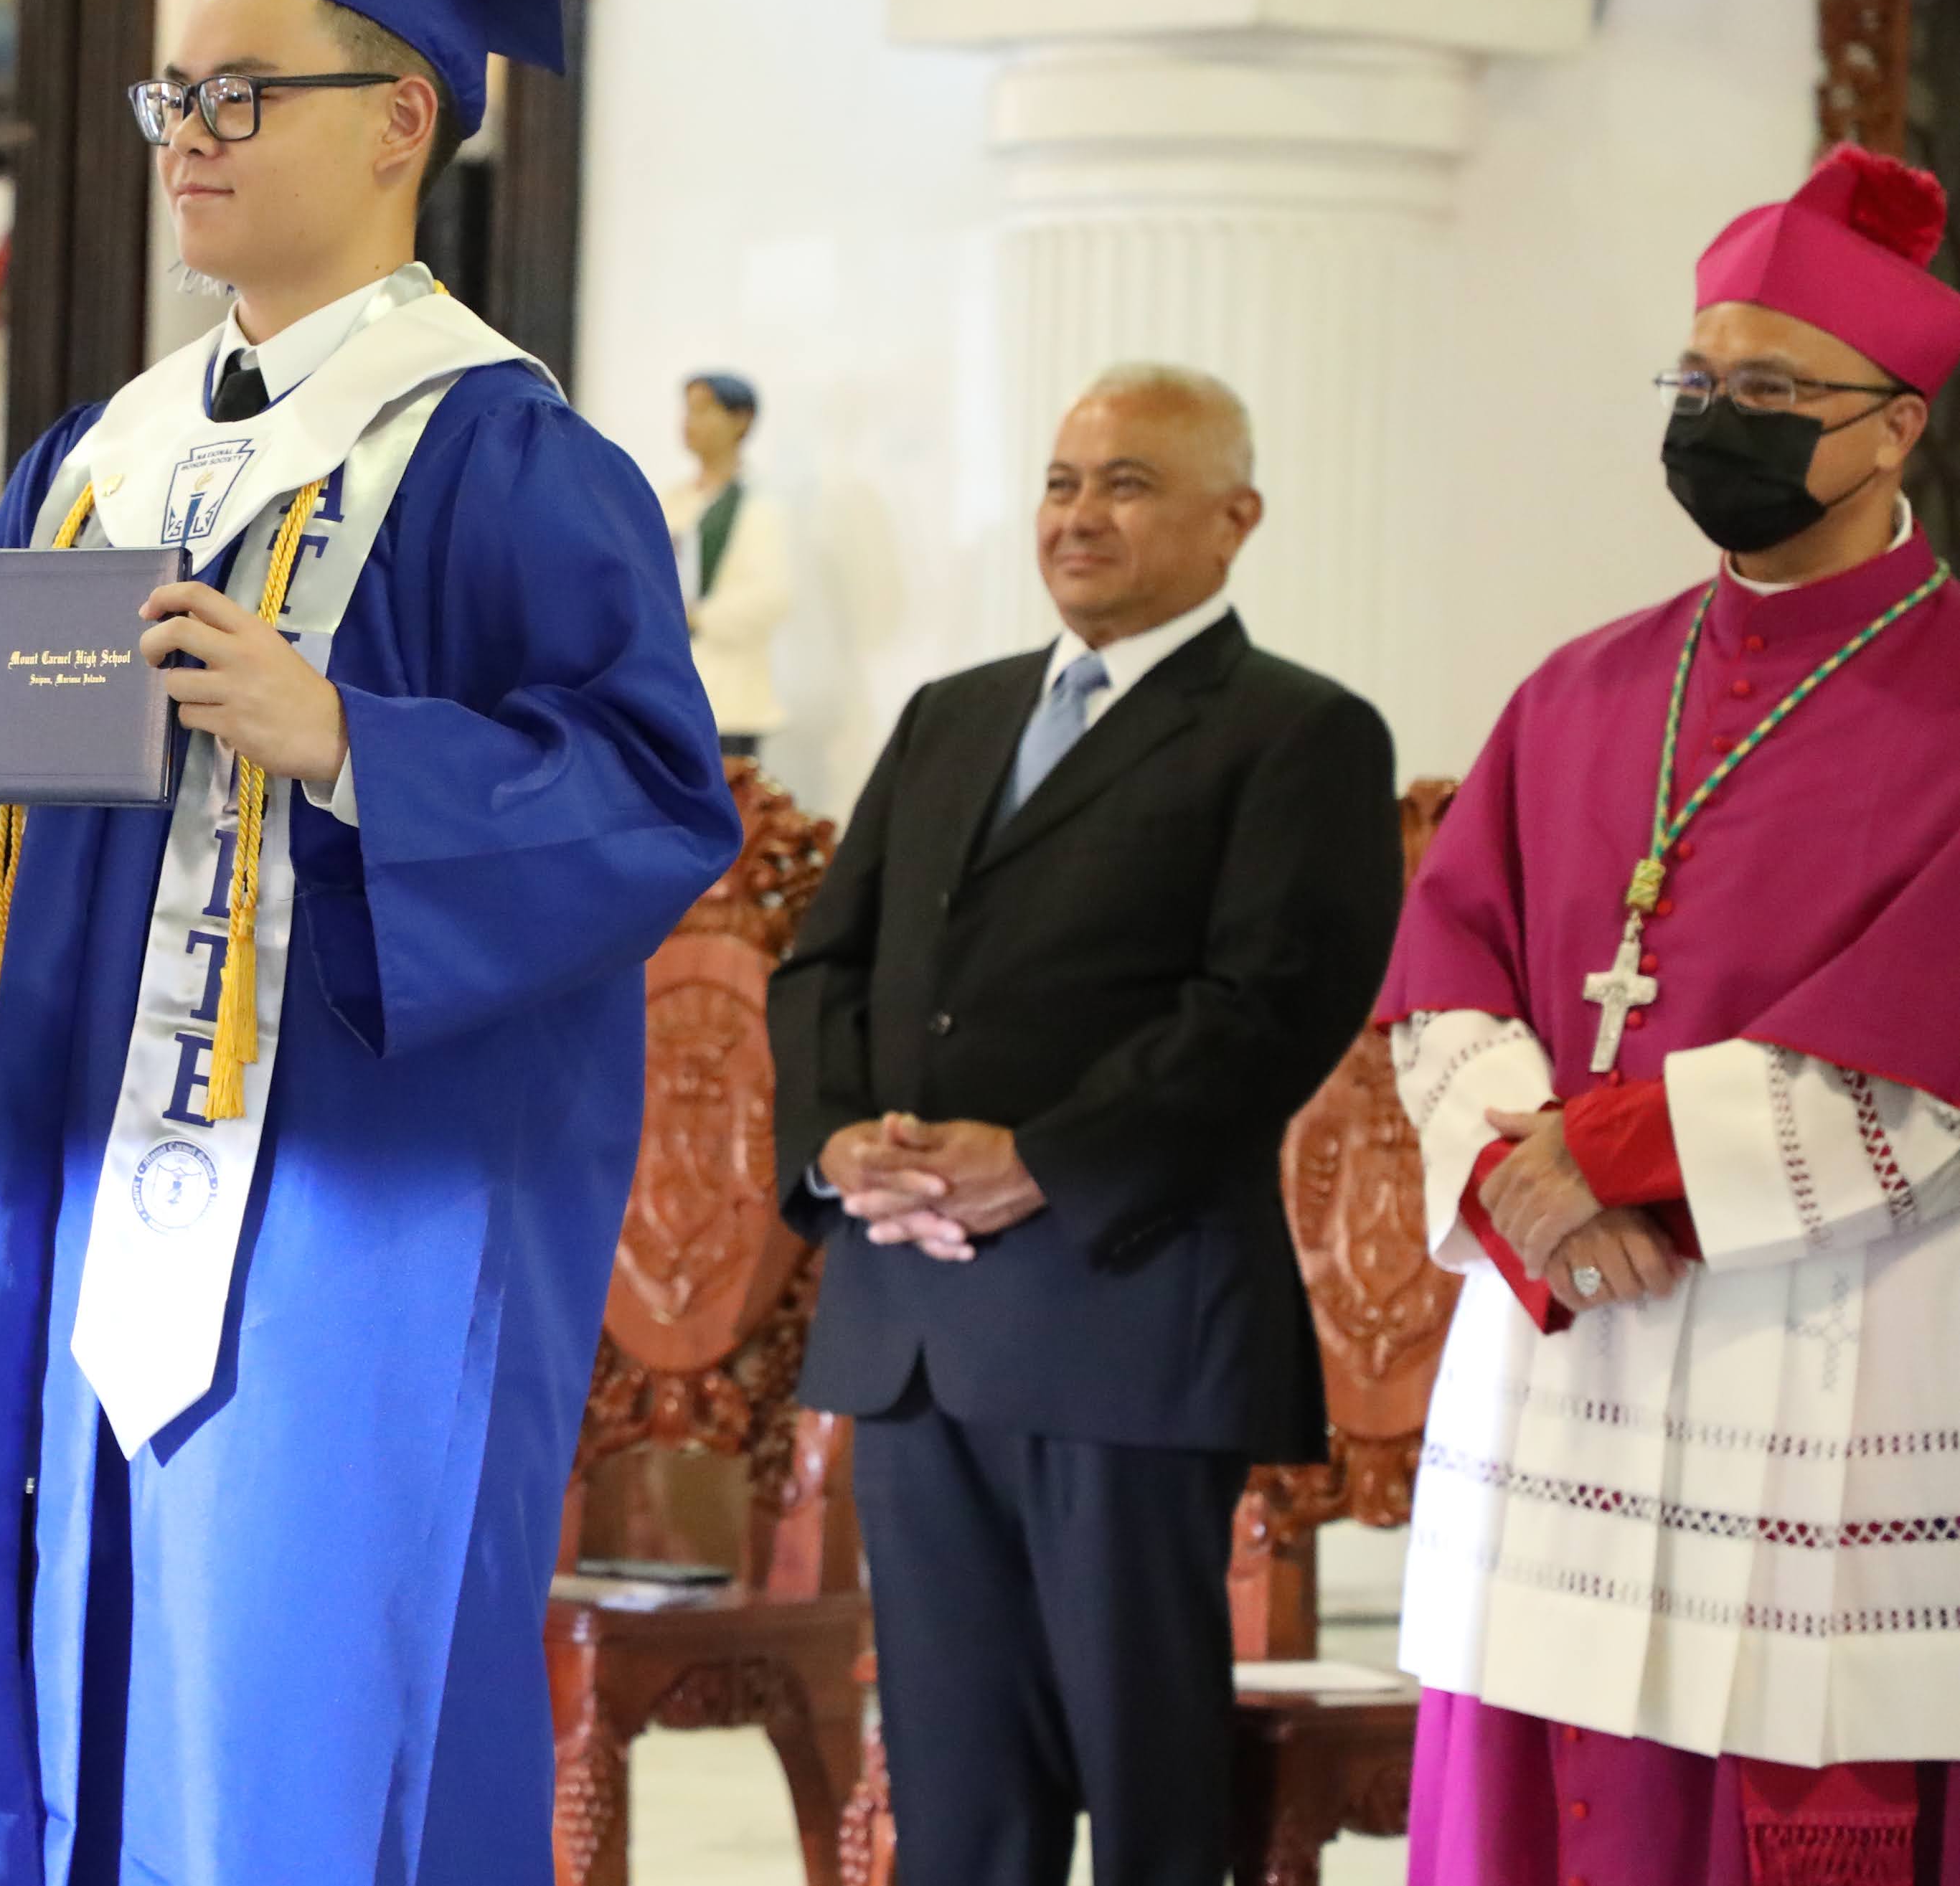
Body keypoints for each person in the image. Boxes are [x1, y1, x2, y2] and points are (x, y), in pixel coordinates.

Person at [0, 0, 738, 1885]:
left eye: (240, 95)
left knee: (311, 1707)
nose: (188, 140)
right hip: (82, 1190)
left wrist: (356, 744)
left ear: (401, 123)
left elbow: (653, 799)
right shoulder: (110, 458)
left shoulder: (495, 454)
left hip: (356, 1221)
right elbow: (5, 818)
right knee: (59, 1678)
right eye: (171, 100)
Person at [1383, 144, 1960, 1886]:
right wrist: (1509, 1179)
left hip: (1827, 1339)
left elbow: (1924, 1039)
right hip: (1561, 1336)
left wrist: (1608, 1158)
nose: (1719, 418)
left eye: (1769, 388)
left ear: (1891, 427)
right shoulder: (1580, 683)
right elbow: (1442, 966)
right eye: (1697, 381)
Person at [771, 362, 1403, 1886]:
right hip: (914, 1319)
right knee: (954, 1795)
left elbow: (1264, 1011)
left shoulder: (1296, 733)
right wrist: (838, 1141)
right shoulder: (951, 715)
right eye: (1061, 481)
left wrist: (1038, 1160)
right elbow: (825, 965)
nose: (1078, 515)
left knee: (1145, 1787)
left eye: (1126, 483)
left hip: (1127, 1315)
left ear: (1233, 519)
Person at [658, 370, 792, 762]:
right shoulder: (670, 500)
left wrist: (695, 618)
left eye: (703, 411)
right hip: (670, 693)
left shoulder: (760, 507)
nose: (689, 422)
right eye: (687, 410)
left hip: (731, 700)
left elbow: (771, 596)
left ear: (741, 420)